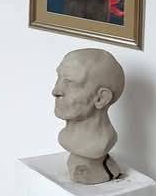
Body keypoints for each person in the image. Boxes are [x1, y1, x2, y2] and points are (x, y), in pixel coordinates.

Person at [53, 48, 126, 184]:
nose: (55, 91)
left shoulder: (101, 143)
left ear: (101, 98)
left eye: (70, 82)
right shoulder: (66, 137)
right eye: (59, 78)